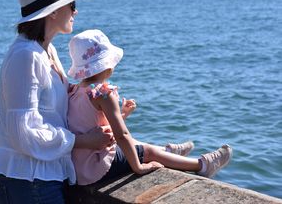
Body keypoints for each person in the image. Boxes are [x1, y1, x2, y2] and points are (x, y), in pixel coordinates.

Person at [0, 0, 114, 203]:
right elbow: (23, 133)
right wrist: (84, 141)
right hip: (30, 181)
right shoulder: (25, 56)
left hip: (42, 177)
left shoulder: (46, 50)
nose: (75, 11)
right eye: (71, 5)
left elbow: (52, 109)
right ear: (53, 11)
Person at [67, 29, 233, 186]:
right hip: (95, 168)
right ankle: (202, 165)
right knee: (147, 151)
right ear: (108, 65)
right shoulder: (102, 93)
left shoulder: (76, 91)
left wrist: (122, 113)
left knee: (134, 143)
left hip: (79, 167)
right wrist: (138, 167)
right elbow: (121, 135)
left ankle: (167, 152)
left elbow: (96, 127)